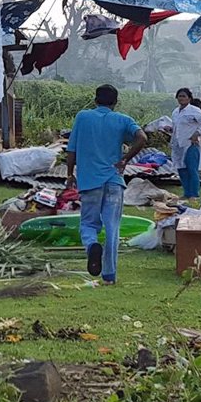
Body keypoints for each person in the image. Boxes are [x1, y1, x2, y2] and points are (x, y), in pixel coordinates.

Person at [65, 84, 147, 285]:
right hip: (113, 180)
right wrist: (126, 159)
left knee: (88, 223)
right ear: (115, 103)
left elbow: (71, 150)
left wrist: (69, 174)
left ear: (95, 100)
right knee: (112, 227)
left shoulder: (83, 117)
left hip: (89, 180)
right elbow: (142, 137)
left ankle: (92, 245)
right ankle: (109, 276)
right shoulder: (122, 120)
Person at [170, 88, 201, 201]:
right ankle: (186, 192)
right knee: (181, 169)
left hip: (190, 144)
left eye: (184, 96)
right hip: (178, 144)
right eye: (180, 96)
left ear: (189, 98)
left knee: (191, 169)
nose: (181, 98)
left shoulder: (194, 110)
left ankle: (194, 194)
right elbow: (176, 127)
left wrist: (196, 134)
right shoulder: (175, 112)